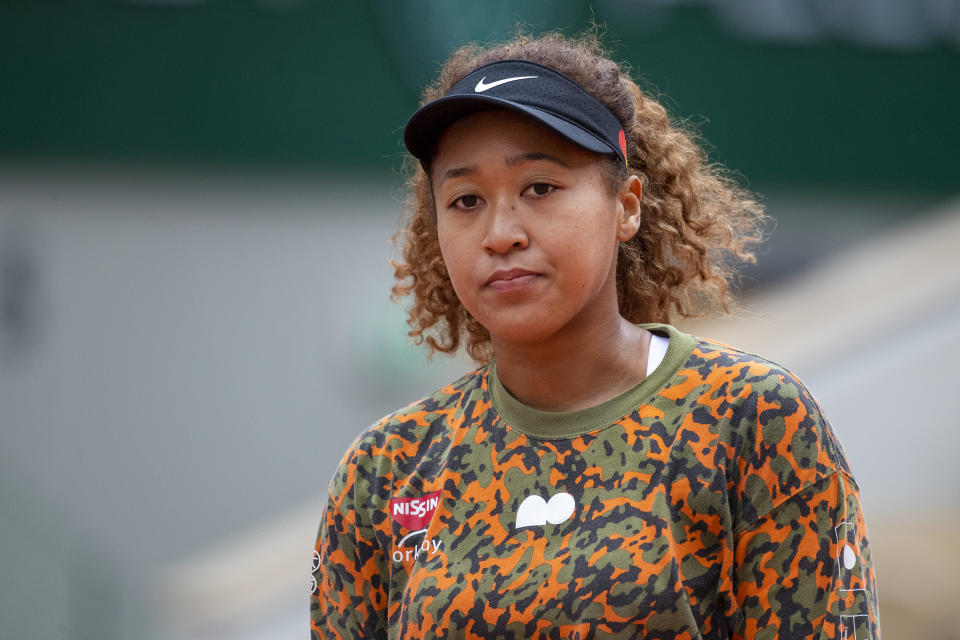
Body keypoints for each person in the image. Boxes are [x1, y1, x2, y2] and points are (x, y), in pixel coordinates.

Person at [310, 32, 880, 640]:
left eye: (540, 188)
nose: (500, 233)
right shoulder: (387, 469)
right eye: (466, 199)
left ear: (627, 205)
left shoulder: (752, 418)